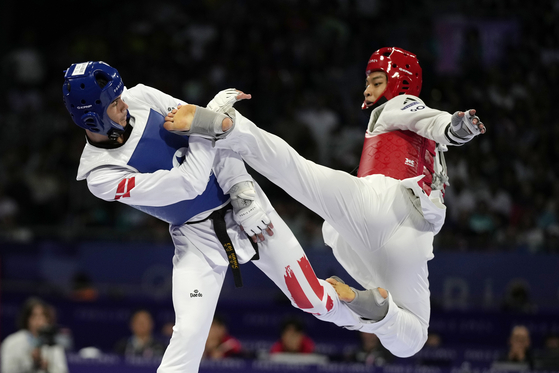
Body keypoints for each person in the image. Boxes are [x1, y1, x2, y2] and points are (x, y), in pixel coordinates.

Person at [168, 47, 487, 358]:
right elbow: (433, 129)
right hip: (409, 243)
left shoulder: (400, 105)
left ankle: (228, 126)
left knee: (296, 170)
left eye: (376, 82)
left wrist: (454, 127)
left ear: (400, 82)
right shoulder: (430, 150)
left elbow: (433, 121)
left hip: (381, 202)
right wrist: (451, 131)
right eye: (367, 83)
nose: (367, 90)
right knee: (414, 337)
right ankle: (361, 305)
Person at [62, 61, 372, 372]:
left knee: (311, 299)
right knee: (188, 336)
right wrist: (206, 119)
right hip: (197, 237)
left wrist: (242, 191)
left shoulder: (142, 96)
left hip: (244, 203)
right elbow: (190, 181)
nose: (125, 102)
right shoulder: (100, 176)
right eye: (115, 103)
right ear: (92, 116)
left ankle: (371, 314)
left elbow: (218, 138)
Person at [1, 297, 68, 373]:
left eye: (43, 316)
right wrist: (32, 362)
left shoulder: (53, 343)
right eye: (34, 316)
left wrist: (47, 367)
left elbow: (62, 370)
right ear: (27, 319)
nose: (39, 320)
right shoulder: (11, 342)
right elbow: (7, 370)